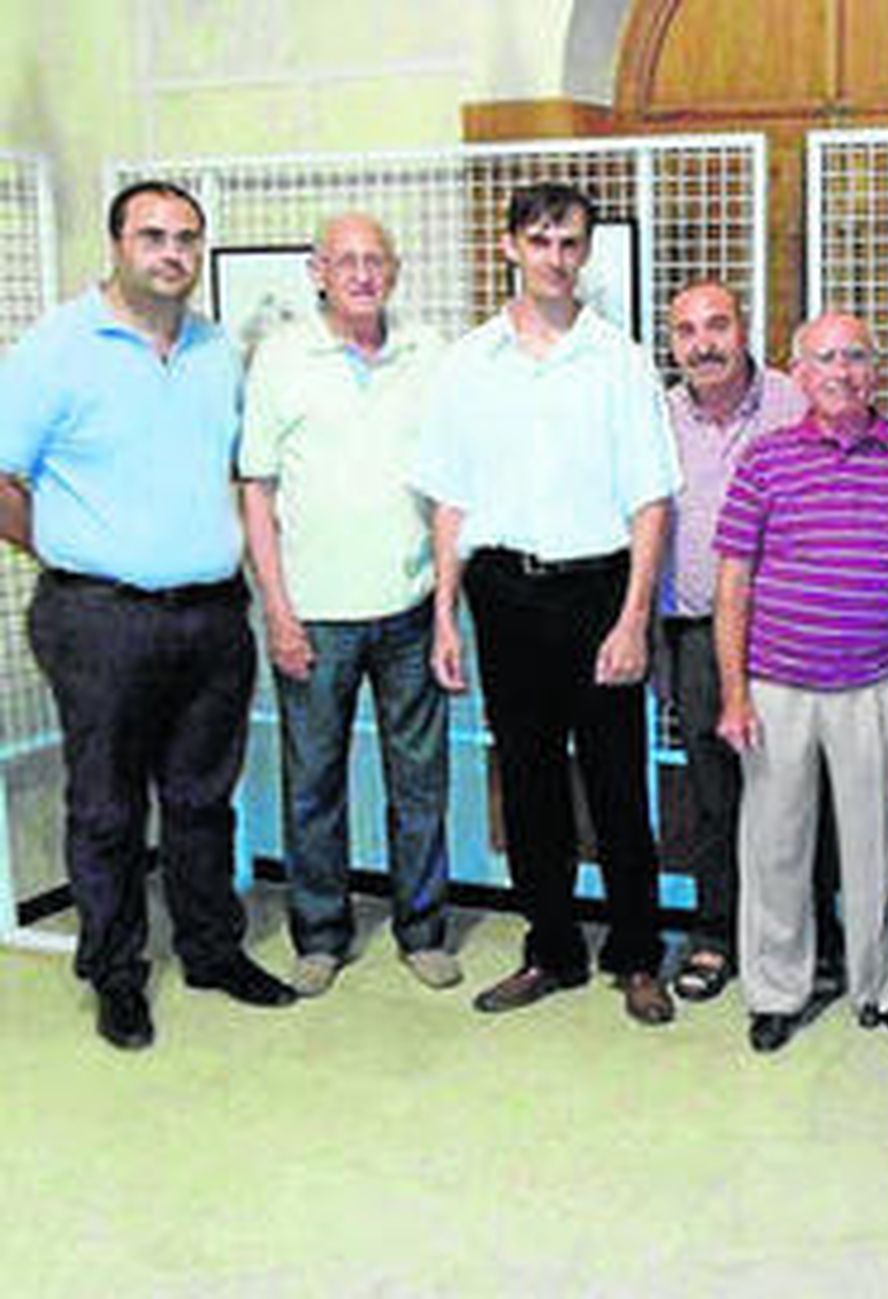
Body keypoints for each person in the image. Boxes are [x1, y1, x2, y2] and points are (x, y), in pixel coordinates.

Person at [0, 180, 296, 1051]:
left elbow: (240, 474)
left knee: (204, 798)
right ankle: (117, 974)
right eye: (153, 236)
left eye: (187, 238)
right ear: (118, 244)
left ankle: (212, 950)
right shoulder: (55, 348)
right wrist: (65, 548)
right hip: (99, 618)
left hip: (211, 616)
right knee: (107, 807)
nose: (173, 253)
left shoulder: (215, 350)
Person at [414, 182, 681, 1027]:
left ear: (586, 252)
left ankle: (636, 955)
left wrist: (633, 618)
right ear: (510, 247)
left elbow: (651, 501)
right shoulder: (468, 364)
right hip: (502, 593)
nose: (555, 258)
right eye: (540, 241)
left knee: (617, 787)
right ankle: (552, 950)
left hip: (598, 592)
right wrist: (444, 613)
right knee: (528, 784)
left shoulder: (620, 360)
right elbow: (451, 500)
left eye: (569, 243)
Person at [714, 311, 888, 1054]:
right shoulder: (764, 459)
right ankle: (775, 993)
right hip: (777, 685)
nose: (842, 372)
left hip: (881, 682)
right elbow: (734, 582)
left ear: (876, 371)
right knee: (774, 847)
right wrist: (734, 693)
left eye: (856, 356)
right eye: (825, 358)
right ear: (798, 375)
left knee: (880, 848)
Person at [240, 212, 457, 998]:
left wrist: (444, 608)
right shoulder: (280, 357)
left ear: (394, 270)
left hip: (409, 607)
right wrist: (277, 609)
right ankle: (320, 935)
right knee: (313, 785)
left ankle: (422, 931)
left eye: (376, 260)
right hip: (315, 615)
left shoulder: (429, 352)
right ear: (318, 272)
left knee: (420, 783)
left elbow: (451, 487)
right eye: (346, 261)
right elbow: (256, 489)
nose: (363, 274)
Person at [659, 280, 843, 1004]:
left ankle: (815, 937)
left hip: (791, 631)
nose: (703, 344)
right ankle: (715, 932)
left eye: (717, 325)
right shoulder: (658, 416)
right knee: (714, 793)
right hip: (697, 634)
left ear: (745, 329)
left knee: (804, 792)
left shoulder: (795, 401)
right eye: (686, 331)